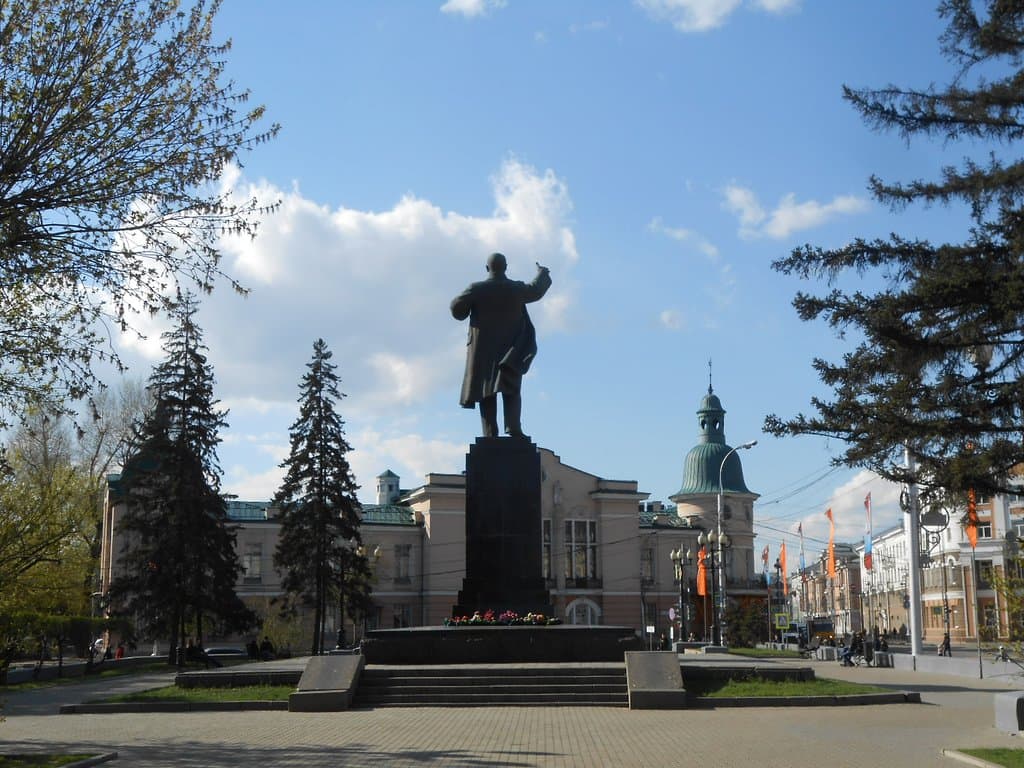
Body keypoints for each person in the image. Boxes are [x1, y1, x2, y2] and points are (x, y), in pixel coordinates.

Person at [451, 253, 552, 438]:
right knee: (511, 387)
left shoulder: (477, 289)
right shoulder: (515, 288)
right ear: (505, 267)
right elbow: (535, 290)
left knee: (486, 390)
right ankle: (513, 428)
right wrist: (542, 273)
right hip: (511, 348)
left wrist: (461, 302)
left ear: (487, 268)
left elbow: (457, 311)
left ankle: (490, 433)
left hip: (483, 350)